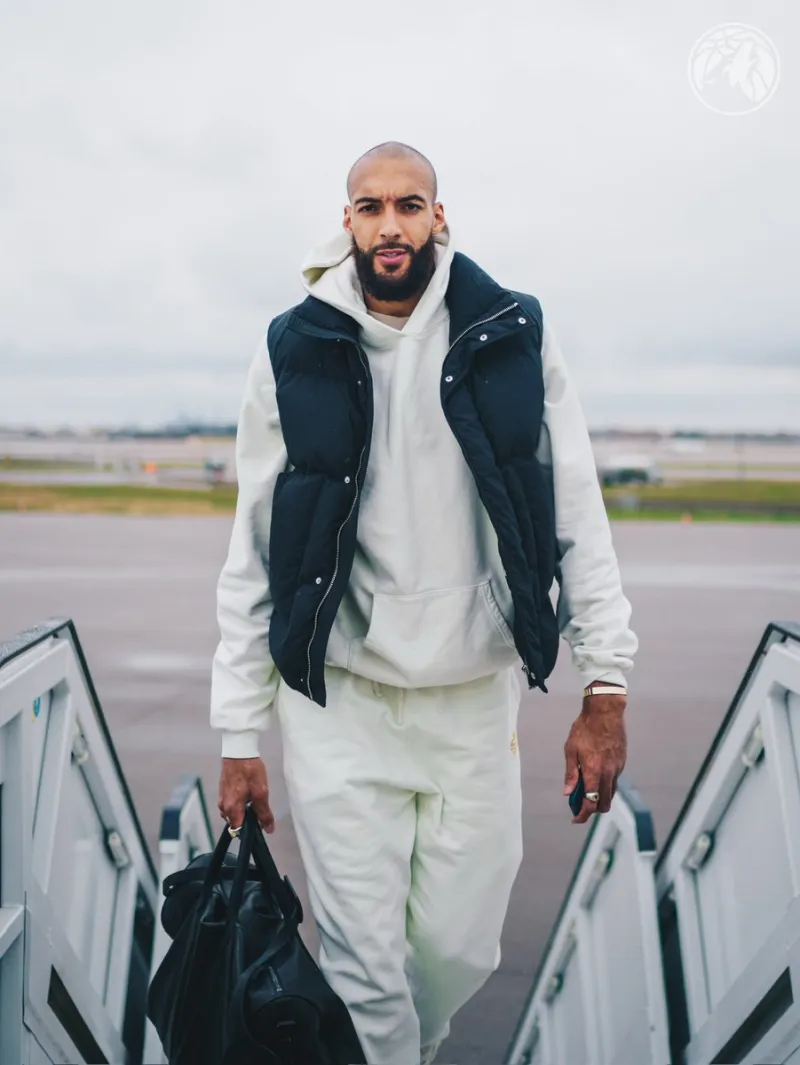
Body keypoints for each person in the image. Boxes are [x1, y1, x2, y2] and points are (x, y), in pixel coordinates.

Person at [212, 141, 637, 1065]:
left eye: (409, 205)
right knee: (365, 970)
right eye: (371, 208)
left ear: (439, 218)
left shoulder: (512, 332)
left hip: (470, 695)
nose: (390, 224)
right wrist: (239, 732)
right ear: (349, 223)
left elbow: (576, 510)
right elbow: (253, 543)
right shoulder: (295, 346)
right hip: (338, 701)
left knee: (455, 950)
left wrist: (605, 683)